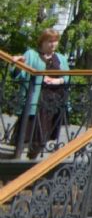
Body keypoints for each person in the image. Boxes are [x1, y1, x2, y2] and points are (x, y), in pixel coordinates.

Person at [14, 28, 69, 157]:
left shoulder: (61, 58)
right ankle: (17, 157)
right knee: (27, 130)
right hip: (35, 99)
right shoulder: (31, 54)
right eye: (50, 41)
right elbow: (20, 75)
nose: (53, 44)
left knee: (43, 132)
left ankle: (32, 159)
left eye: (55, 41)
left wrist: (57, 81)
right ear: (42, 41)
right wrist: (18, 65)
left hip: (52, 101)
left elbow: (67, 76)